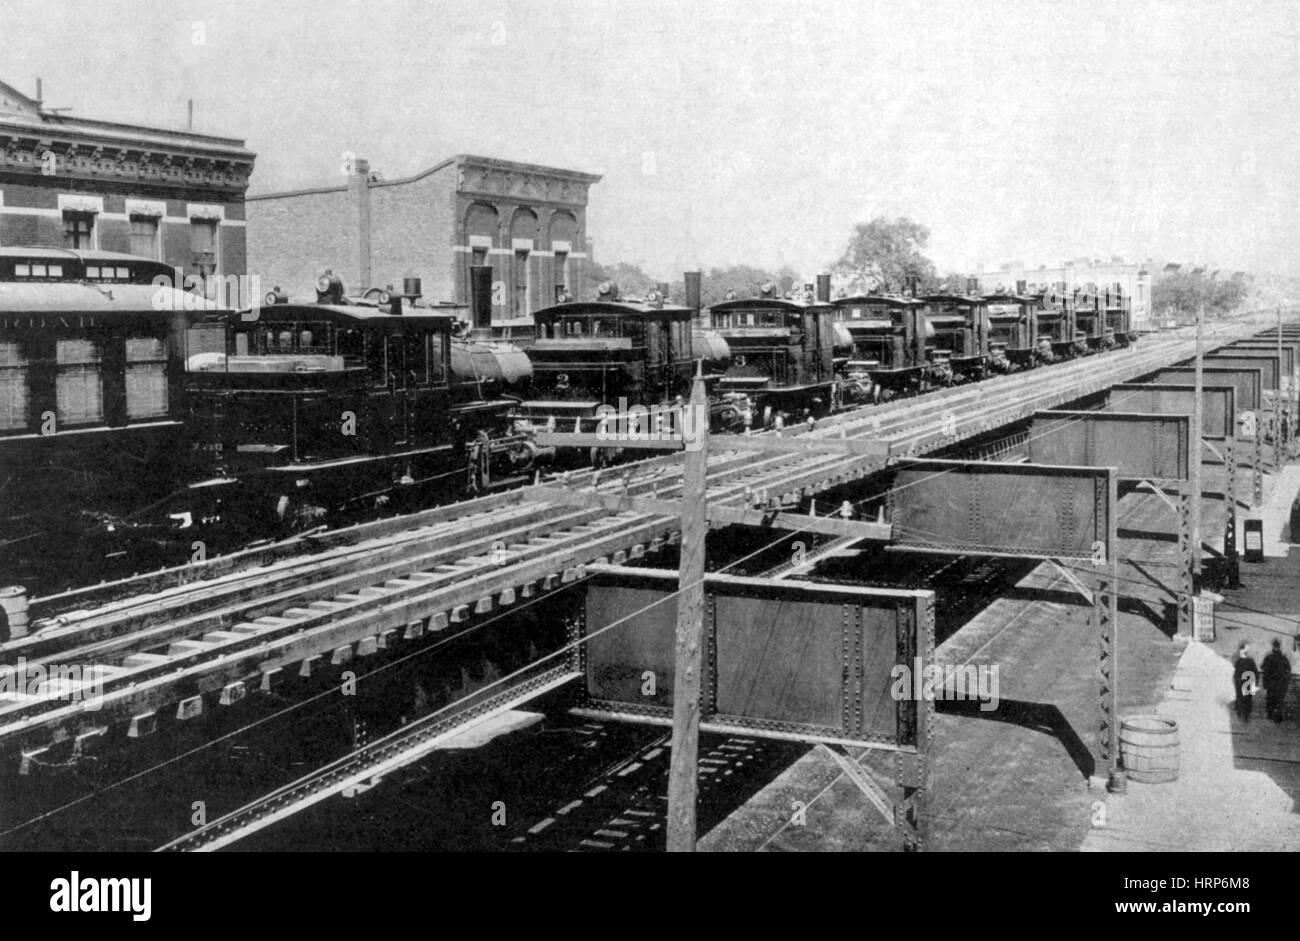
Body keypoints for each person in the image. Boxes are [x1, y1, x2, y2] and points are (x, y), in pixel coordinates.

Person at [1262, 638, 1292, 723]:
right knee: (1279, 700)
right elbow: (1288, 670)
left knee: (1271, 700)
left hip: (1273, 684)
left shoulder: (1269, 657)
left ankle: (1271, 715)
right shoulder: (1283, 658)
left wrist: (1266, 683)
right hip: (1280, 684)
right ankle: (1277, 716)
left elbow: (1265, 671)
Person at [1233, 643, 1258, 722]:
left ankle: (1243, 714)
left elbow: (1255, 672)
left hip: (1246, 682)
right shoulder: (1241, 661)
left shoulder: (1244, 661)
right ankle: (1243, 714)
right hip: (1244, 682)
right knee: (1244, 699)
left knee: (1244, 699)